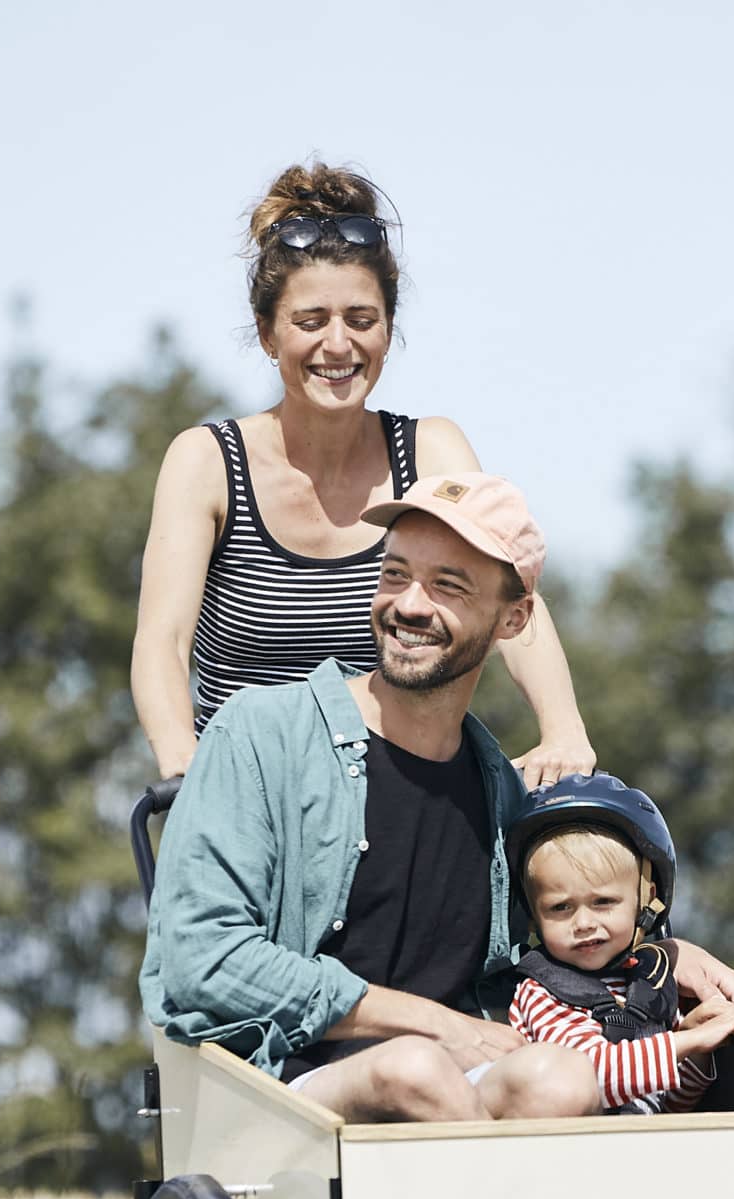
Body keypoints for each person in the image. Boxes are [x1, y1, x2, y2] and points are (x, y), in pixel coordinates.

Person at [141, 473, 734, 1123]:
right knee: (415, 1066)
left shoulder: (502, 797)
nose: (410, 604)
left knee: (558, 1076)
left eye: (448, 586)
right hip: (282, 1094)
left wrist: (663, 953)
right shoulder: (261, 734)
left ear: (512, 618)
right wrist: (432, 1024)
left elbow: (553, 950)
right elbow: (197, 959)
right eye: (396, 574)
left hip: (456, 1097)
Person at [128, 160, 595, 789]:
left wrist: (564, 730)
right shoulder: (207, 461)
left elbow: (508, 602)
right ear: (268, 334)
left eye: (361, 319)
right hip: (249, 796)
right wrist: (185, 767)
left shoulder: (429, 450)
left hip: (399, 799)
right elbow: (162, 641)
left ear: (389, 329)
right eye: (311, 321)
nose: (339, 345)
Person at [505, 776, 734, 1114]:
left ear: (646, 901)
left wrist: (699, 1051)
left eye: (603, 902)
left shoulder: (650, 986)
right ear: (533, 916)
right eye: (561, 907)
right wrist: (685, 1042)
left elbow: (670, 1107)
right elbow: (590, 1076)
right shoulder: (540, 995)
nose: (584, 923)